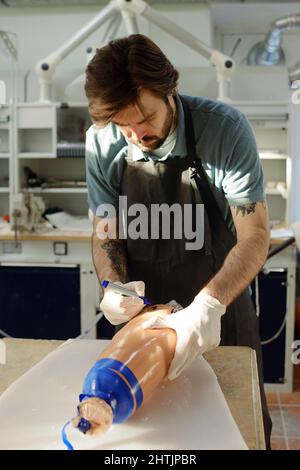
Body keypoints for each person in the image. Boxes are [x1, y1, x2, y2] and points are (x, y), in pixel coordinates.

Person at [84, 34, 272, 448]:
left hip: (217, 313)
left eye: (145, 117)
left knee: (231, 432)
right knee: (142, 437)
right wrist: (111, 285)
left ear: (169, 91)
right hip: (142, 320)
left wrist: (206, 307)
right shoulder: (101, 142)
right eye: (121, 124)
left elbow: (256, 233)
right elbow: (105, 229)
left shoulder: (223, 131)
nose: (135, 134)